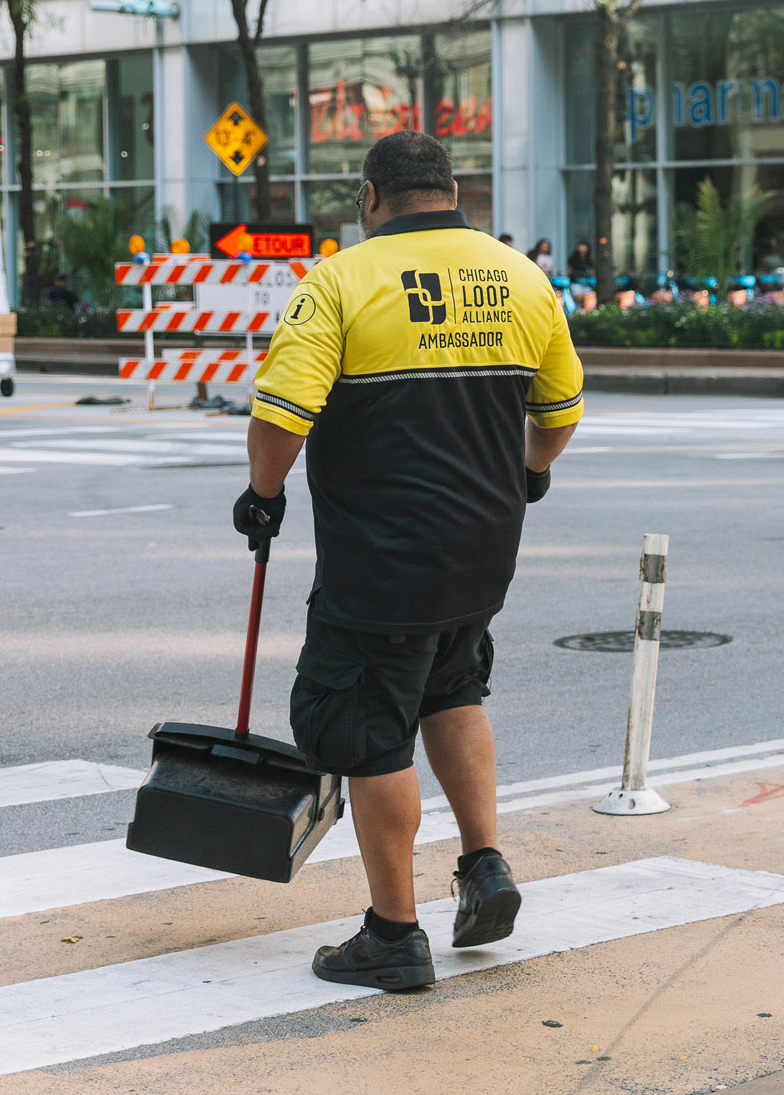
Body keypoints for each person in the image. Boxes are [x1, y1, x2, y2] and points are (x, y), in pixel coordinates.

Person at [238, 130, 584, 992]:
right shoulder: (520, 276)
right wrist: (531, 471)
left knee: (364, 728)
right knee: (451, 688)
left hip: (381, 561)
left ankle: (393, 935)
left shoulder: (341, 280)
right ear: (453, 188)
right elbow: (562, 408)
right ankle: (485, 865)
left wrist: (263, 494)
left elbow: (281, 414)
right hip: (482, 551)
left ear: (369, 197)